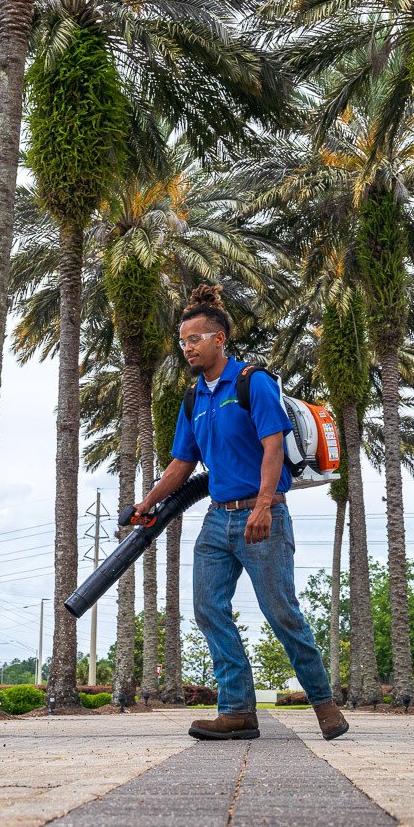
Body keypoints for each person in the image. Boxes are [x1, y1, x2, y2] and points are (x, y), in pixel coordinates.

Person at [137, 284, 348, 741]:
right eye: (182, 341)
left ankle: (324, 704)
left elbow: (273, 444)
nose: (187, 347)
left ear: (219, 339)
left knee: (281, 611)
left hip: (262, 516)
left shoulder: (254, 383)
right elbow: (182, 463)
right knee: (208, 609)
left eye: (195, 339)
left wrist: (266, 504)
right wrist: (147, 503)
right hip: (217, 518)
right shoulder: (194, 399)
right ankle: (236, 711)